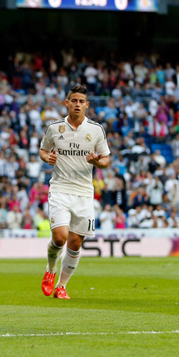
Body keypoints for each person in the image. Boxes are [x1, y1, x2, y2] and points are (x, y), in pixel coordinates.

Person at [39, 85, 110, 299]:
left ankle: (61, 285)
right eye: (74, 100)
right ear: (67, 103)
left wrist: (97, 161)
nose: (77, 104)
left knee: (76, 242)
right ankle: (50, 270)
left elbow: (106, 159)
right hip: (60, 189)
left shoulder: (96, 130)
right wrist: (46, 157)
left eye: (81, 101)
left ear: (87, 105)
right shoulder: (54, 128)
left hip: (84, 193)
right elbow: (43, 150)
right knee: (60, 238)